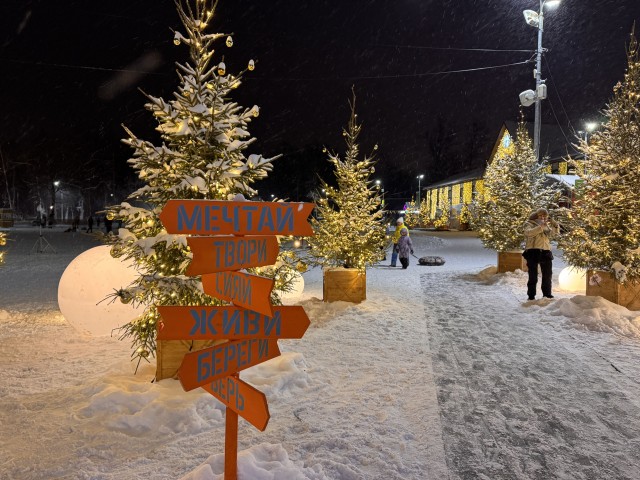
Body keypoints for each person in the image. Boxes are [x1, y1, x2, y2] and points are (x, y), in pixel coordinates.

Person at [523, 208, 559, 300]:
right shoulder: (529, 223)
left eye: (544, 216)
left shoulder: (545, 225)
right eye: (540, 215)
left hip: (546, 251)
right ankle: (531, 295)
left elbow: (553, 235)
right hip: (533, 251)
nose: (543, 217)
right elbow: (528, 233)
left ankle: (547, 294)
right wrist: (541, 227)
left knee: (547, 274)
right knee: (533, 275)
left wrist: (555, 225)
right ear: (536, 216)